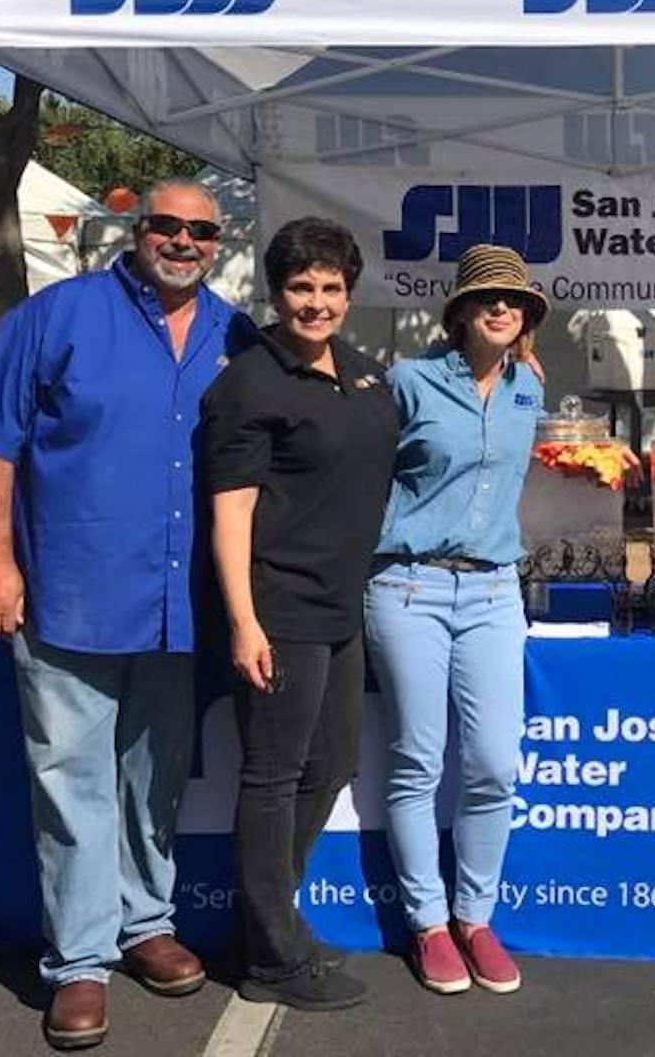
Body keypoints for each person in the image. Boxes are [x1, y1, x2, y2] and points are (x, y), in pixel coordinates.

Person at [0, 179, 253, 1051]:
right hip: (71, 597)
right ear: (138, 229)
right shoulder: (59, 315)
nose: (185, 241)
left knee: (153, 781)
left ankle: (146, 923)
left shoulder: (235, 332)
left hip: (176, 606)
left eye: (202, 230)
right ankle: (80, 964)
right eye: (169, 225)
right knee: (72, 785)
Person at [201, 218, 401, 1011]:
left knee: (333, 766)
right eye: (300, 288)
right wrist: (244, 621)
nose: (316, 303)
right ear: (276, 293)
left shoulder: (362, 373)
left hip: (341, 607)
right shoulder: (250, 383)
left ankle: (270, 919)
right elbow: (231, 512)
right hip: (278, 607)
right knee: (275, 777)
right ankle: (273, 959)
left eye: (330, 289)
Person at [366, 245, 559, 997]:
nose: (502, 309)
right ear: (460, 312)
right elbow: (364, 470)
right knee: (418, 759)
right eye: (488, 300)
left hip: (492, 593)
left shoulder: (527, 391)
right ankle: (429, 923)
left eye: (514, 301)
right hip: (408, 586)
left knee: (493, 764)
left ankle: (476, 917)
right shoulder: (409, 381)